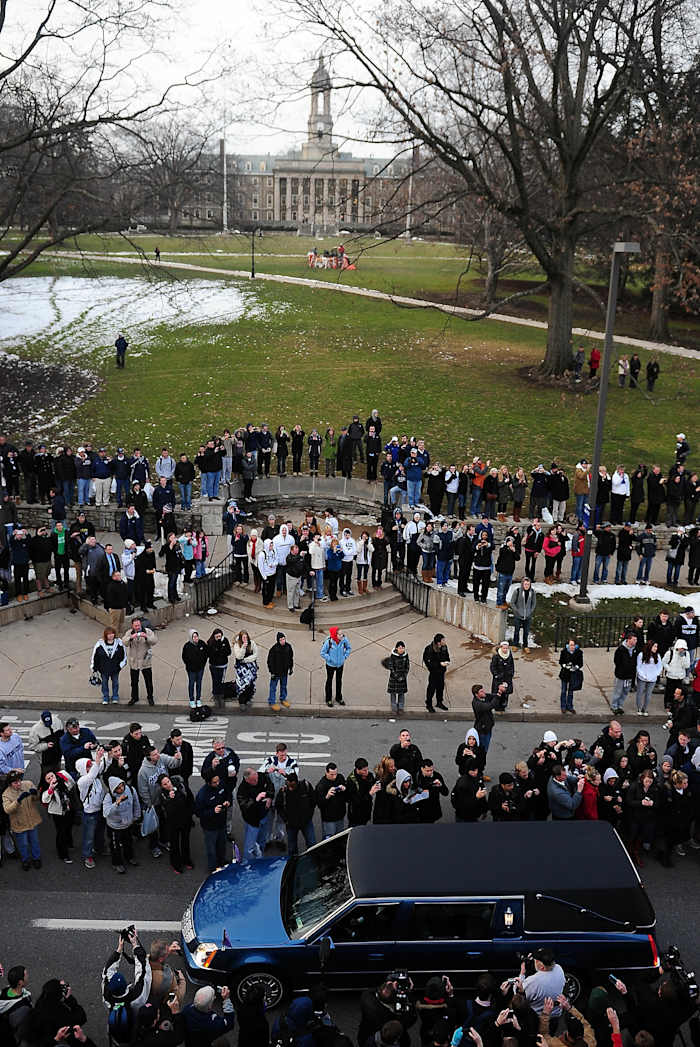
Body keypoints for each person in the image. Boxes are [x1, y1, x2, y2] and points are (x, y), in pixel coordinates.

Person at [101, 928, 151, 1043]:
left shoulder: (107, 996)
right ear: (126, 986)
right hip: (133, 1028)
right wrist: (134, 944)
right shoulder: (137, 996)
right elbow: (143, 971)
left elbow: (106, 973)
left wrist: (119, 949)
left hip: (117, 1030)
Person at [3, 770, 42, 869]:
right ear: (10, 784)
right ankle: (25, 860)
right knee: (23, 844)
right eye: (15, 782)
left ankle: (36, 859)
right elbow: (7, 809)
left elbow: (37, 798)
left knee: (35, 841)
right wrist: (18, 801)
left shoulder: (28, 784)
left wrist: (36, 794)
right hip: (19, 824)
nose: (19, 783)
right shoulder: (6, 794)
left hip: (32, 820)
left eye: (20, 780)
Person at [103, 775, 141, 873]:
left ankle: (129, 857)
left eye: (122, 786)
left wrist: (136, 816)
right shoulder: (109, 797)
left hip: (128, 824)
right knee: (115, 846)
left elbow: (136, 803)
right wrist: (116, 803)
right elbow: (105, 813)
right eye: (118, 788)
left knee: (128, 842)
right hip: (114, 827)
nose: (122, 789)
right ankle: (117, 863)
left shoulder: (130, 789)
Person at [158, 773, 194, 874]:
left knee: (185, 841)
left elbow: (190, 799)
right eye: (165, 784)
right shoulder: (162, 794)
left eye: (168, 782)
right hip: (172, 823)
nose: (168, 785)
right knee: (174, 844)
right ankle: (176, 864)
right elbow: (166, 810)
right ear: (161, 786)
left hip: (185, 820)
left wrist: (190, 814)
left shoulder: (180, 786)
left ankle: (186, 860)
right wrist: (170, 799)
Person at [194, 770, 229, 871]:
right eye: (214, 782)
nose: (217, 783)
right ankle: (213, 867)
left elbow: (228, 794)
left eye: (218, 781)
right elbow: (198, 813)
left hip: (221, 822)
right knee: (211, 848)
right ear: (208, 782)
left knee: (222, 844)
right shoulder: (202, 794)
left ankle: (222, 861)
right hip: (210, 827)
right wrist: (212, 811)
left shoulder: (221, 784)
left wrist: (228, 801)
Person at [75, 752, 106, 869]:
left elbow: (101, 766)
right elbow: (93, 774)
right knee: (89, 836)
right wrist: (98, 758)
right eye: (87, 766)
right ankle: (87, 855)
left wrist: (106, 755)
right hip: (90, 813)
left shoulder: (94, 778)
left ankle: (99, 848)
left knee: (100, 832)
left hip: (100, 810)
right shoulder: (83, 781)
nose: (90, 767)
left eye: (90, 765)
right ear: (82, 769)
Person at [40, 768, 77, 863]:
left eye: (52, 776)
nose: (52, 779)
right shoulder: (47, 789)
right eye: (48, 778)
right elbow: (44, 799)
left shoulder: (61, 781)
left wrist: (64, 776)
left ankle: (69, 843)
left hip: (68, 809)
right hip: (57, 813)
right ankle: (63, 854)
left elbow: (71, 785)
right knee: (61, 832)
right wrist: (50, 789)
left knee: (69, 827)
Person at [275, 772, 317, 855]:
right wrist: (285, 820)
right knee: (292, 848)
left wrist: (309, 816)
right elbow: (278, 806)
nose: (290, 788)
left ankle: (313, 860)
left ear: (297, 782)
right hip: (291, 824)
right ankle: (293, 864)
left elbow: (313, 801)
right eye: (289, 785)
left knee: (312, 844)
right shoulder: (283, 791)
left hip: (306, 822)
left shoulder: (305, 787)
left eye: (292, 786)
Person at [237, 767, 273, 859]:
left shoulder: (262, 776)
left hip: (264, 815)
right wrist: (256, 800)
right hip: (252, 822)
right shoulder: (242, 790)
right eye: (253, 780)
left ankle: (260, 858)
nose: (256, 781)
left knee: (262, 840)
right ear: (247, 780)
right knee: (250, 847)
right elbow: (246, 808)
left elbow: (270, 786)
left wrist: (269, 797)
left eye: (256, 778)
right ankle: (248, 865)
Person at [90, 627, 127, 706]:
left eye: (112, 633)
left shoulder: (119, 643)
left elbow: (124, 655)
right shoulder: (99, 643)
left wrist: (120, 666)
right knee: (104, 683)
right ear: (106, 635)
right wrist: (94, 667)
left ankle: (115, 697)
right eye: (109, 634)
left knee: (115, 683)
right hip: (103, 669)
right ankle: (105, 697)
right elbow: (95, 656)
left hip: (115, 669)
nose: (111, 635)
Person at [320, 626, 351, 707]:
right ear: (335, 635)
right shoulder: (328, 642)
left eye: (342, 634)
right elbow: (323, 653)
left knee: (339, 681)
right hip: (330, 665)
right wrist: (330, 659)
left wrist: (344, 657)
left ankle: (338, 697)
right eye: (340, 634)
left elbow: (348, 648)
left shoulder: (344, 640)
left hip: (340, 664)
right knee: (329, 681)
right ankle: (328, 699)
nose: (342, 636)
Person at [315, 762, 347, 838]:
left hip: (340, 816)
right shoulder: (321, 786)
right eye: (332, 774)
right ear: (326, 773)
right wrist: (327, 796)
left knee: (340, 838)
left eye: (335, 774)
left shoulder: (340, 778)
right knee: (329, 840)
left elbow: (346, 795)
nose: (334, 777)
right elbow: (319, 804)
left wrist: (344, 788)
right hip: (329, 819)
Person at [266, 631, 294, 712]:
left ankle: (283, 699)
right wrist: (272, 672)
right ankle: (271, 701)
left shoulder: (288, 647)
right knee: (273, 687)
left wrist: (291, 668)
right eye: (281, 639)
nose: (283, 641)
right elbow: (270, 661)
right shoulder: (274, 649)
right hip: (276, 672)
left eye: (284, 639)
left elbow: (290, 658)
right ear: (278, 640)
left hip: (284, 671)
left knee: (283, 686)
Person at [422, 633, 450, 713]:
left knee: (440, 688)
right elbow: (428, 662)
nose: (444, 641)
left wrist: (447, 662)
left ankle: (439, 702)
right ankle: (429, 704)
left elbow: (447, 657)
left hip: (441, 672)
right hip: (434, 672)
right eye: (443, 640)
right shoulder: (429, 649)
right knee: (431, 688)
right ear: (438, 642)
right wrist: (439, 664)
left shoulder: (444, 647)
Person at [611, 634, 638, 714]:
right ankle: (614, 706)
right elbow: (617, 661)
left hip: (629, 675)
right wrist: (622, 669)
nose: (635, 641)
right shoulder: (620, 649)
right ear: (628, 640)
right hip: (621, 675)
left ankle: (620, 706)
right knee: (618, 691)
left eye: (636, 640)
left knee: (625, 691)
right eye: (634, 639)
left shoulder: (635, 650)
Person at [233, 630, 259, 706]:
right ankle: (242, 701)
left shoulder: (252, 643)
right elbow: (238, 657)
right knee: (242, 685)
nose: (245, 639)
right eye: (243, 637)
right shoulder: (237, 645)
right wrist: (243, 647)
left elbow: (255, 655)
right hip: (242, 669)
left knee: (250, 684)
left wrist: (246, 660)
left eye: (246, 637)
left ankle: (248, 698)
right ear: (241, 638)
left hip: (251, 667)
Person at [206, 628, 231, 705]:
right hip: (213, 665)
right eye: (217, 637)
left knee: (220, 680)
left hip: (222, 665)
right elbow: (210, 654)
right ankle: (215, 694)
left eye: (220, 636)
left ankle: (220, 695)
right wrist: (217, 647)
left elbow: (228, 652)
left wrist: (221, 648)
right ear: (214, 636)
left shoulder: (225, 641)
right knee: (215, 680)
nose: (218, 638)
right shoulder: (210, 642)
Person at [510, 577, 536, 650]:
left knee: (526, 632)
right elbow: (512, 603)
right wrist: (517, 611)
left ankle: (525, 646)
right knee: (517, 631)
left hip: (528, 616)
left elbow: (534, 603)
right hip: (518, 616)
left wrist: (530, 611)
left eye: (528, 584)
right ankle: (515, 644)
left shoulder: (532, 592)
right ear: (522, 584)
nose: (526, 586)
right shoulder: (517, 591)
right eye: (525, 584)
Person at [558, 640, 583, 715]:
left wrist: (575, 667)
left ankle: (570, 706)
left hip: (573, 675)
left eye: (573, 645)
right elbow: (561, 661)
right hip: (565, 674)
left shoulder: (579, 652)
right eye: (570, 645)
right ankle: (563, 706)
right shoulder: (564, 652)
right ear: (568, 645)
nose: (572, 647)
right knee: (563, 691)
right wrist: (565, 666)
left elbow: (580, 663)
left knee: (571, 692)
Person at [387, 640, 410, 715]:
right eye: (400, 648)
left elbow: (407, 666)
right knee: (393, 694)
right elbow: (391, 667)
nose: (401, 649)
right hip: (394, 679)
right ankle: (394, 708)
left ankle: (400, 708)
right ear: (396, 648)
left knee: (401, 694)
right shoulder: (393, 656)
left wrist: (404, 676)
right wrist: (396, 676)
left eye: (403, 648)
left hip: (402, 678)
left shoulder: (406, 656)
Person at [490, 640, 514, 710]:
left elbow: (512, 665)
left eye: (506, 648)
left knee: (506, 691)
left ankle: (504, 704)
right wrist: (496, 675)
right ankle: (497, 705)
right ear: (501, 648)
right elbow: (493, 667)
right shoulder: (496, 656)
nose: (505, 650)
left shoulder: (509, 655)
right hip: (499, 678)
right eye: (504, 648)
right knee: (498, 691)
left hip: (507, 677)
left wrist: (511, 674)